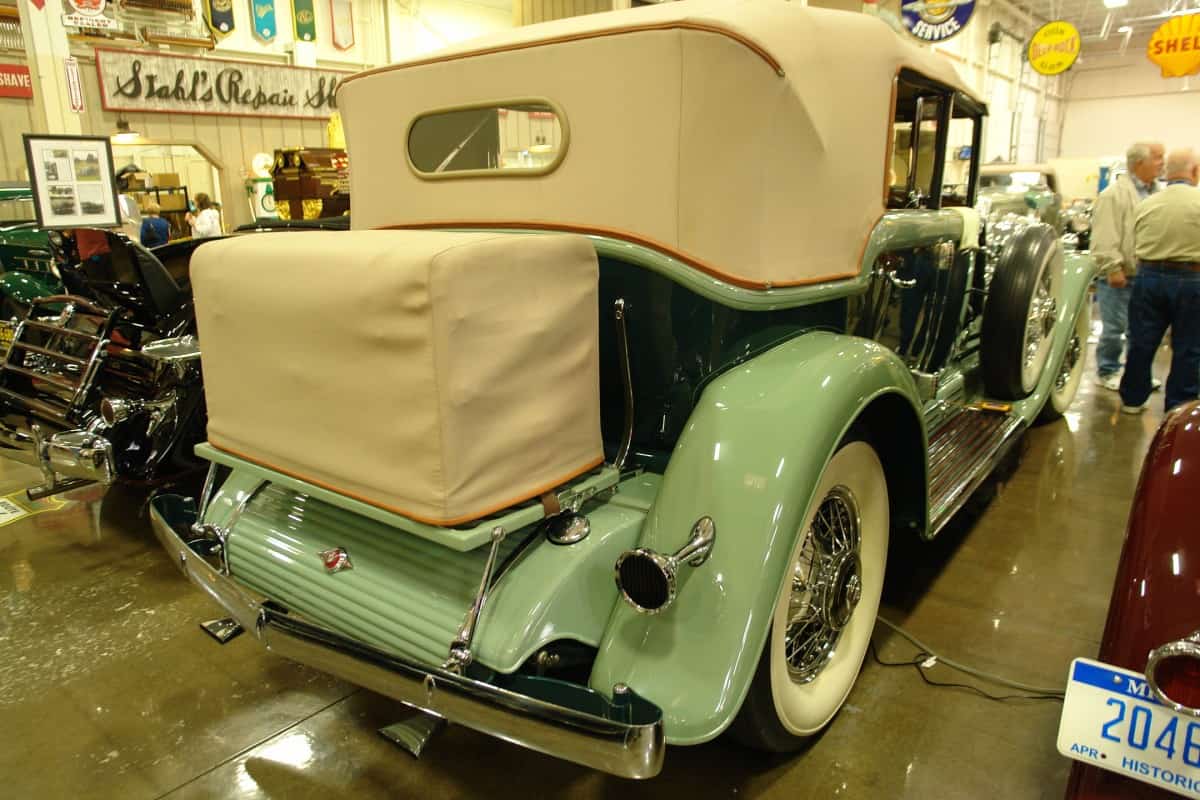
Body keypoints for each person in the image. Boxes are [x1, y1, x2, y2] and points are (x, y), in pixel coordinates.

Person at [1118, 148, 1200, 414]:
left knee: (1141, 342)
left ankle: (1132, 399)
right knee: (1188, 347)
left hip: (1148, 278)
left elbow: (1131, 243)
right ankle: (1178, 406)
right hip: (1191, 280)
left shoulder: (1147, 203)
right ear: (1195, 171)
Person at [1090, 141, 1165, 391]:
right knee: (1114, 329)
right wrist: (1112, 267)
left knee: (1142, 331)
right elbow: (1104, 234)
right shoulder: (1113, 195)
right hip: (1121, 274)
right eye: (1158, 157)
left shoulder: (1159, 193)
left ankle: (1136, 375)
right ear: (1139, 162)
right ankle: (1108, 370)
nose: (1162, 163)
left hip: (1148, 273)